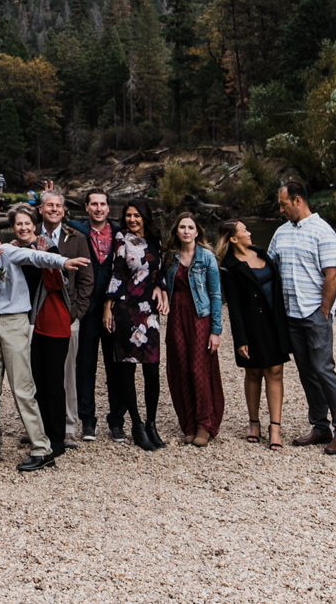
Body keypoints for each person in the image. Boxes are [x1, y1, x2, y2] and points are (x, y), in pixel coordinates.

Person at [0, 206, 87, 471]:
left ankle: (42, 448)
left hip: (16, 323)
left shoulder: (7, 250)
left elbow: (35, 257)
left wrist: (63, 261)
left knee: (22, 389)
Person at [265, 181, 336, 454]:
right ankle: (320, 426)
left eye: (283, 204)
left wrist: (323, 311)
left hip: (315, 313)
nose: (280, 209)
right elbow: (269, 268)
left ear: (298, 200)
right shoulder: (280, 233)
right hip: (291, 314)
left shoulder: (323, 231)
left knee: (324, 370)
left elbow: (334, 275)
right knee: (306, 372)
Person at [101, 198, 168, 451]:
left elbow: (158, 272)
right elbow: (117, 272)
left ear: (145, 217)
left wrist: (161, 289)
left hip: (148, 312)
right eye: (128, 215)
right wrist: (107, 307)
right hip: (125, 309)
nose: (132, 219)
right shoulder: (121, 239)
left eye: (136, 215)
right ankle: (137, 424)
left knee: (152, 369)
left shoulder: (155, 240)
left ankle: (151, 423)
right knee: (127, 369)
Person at [29, 188, 92, 455]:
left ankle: (67, 428)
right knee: (39, 373)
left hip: (65, 317)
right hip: (35, 317)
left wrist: (75, 312)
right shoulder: (30, 236)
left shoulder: (76, 238)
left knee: (65, 374)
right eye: (49, 205)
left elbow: (87, 280)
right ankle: (39, 426)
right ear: (41, 210)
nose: (54, 209)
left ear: (64, 211)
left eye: (59, 206)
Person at [216, 219, 289, 447]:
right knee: (254, 372)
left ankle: (275, 427)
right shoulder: (229, 266)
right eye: (244, 230)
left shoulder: (261, 253)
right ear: (233, 239)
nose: (249, 232)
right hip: (251, 325)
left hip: (274, 321)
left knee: (275, 370)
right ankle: (254, 422)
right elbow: (234, 306)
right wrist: (241, 339)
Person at [160, 211, 224, 447]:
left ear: (197, 232)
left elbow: (216, 295)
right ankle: (188, 423)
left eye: (190, 227)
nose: (186, 231)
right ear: (176, 231)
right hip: (177, 316)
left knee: (199, 369)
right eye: (182, 227)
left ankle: (205, 424)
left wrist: (215, 331)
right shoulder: (170, 257)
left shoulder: (207, 257)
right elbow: (162, 284)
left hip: (200, 317)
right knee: (181, 368)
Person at [71, 188, 115, 442]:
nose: (99, 208)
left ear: (108, 208)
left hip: (114, 310)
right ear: (86, 207)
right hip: (87, 308)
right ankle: (88, 420)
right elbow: (51, 219)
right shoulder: (79, 231)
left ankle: (116, 420)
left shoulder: (119, 234)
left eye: (103, 204)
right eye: (94, 204)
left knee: (115, 365)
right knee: (85, 365)